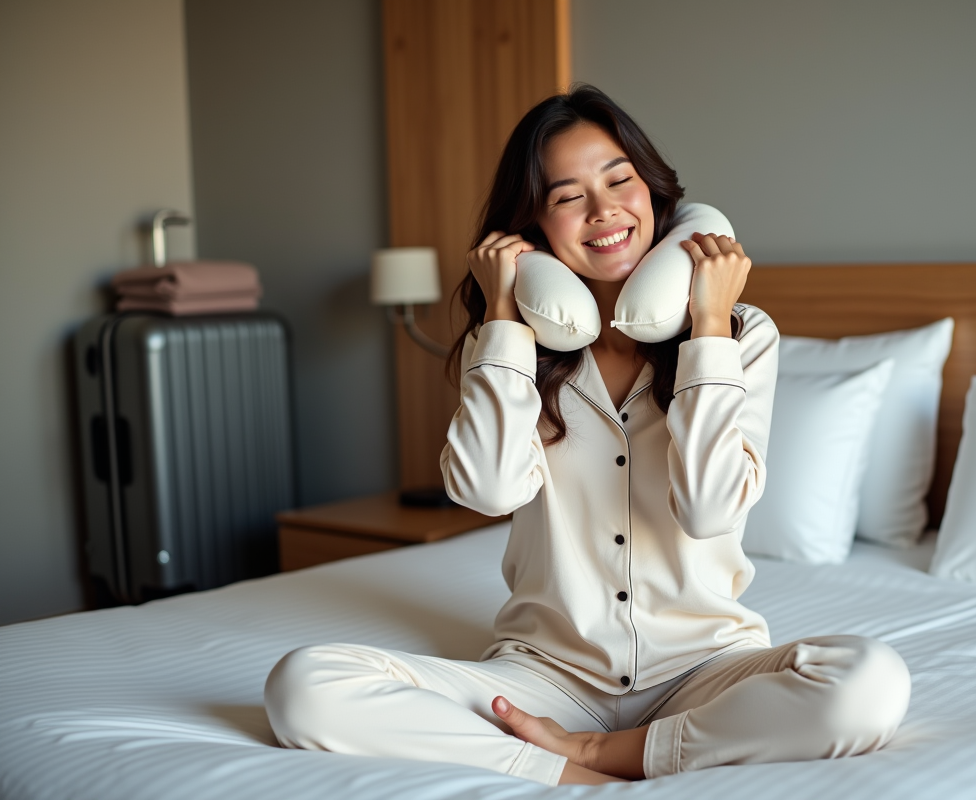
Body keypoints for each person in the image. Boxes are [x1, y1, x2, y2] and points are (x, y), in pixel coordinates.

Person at [264, 84, 910, 786]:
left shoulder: (742, 334)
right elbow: (487, 490)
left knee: (869, 681)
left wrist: (709, 328)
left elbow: (711, 509)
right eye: (567, 196)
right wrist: (505, 316)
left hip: (703, 667)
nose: (603, 211)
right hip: (546, 674)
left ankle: (597, 759)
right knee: (303, 685)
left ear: (657, 196)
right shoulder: (511, 346)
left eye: (619, 180)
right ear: (534, 228)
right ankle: (564, 771)